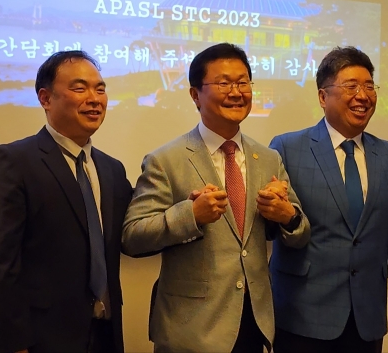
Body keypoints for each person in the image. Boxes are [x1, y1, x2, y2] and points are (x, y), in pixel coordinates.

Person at [122, 42, 311, 353]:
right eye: (223, 83)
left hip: (254, 323)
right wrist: (190, 215)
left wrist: (286, 216)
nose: (236, 92)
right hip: (191, 331)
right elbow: (132, 237)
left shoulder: (268, 159)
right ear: (195, 95)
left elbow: (301, 233)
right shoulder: (165, 160)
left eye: (243, 83)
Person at [0, 50, 133, 353]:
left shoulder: (112, 169)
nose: (94, 99)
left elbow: (133, 232)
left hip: (103, 335)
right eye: (80, 88)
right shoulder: (13, 161)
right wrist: (13, 344)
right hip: (37, 340)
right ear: (45, 98)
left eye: (100, 89)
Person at [268, 46, 388, 353]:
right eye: (351, 86)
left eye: (369, 86)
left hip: (366, 316)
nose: (363, 96)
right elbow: (269, 230)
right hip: (301, 313)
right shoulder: (287, 148)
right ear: (323, 97)